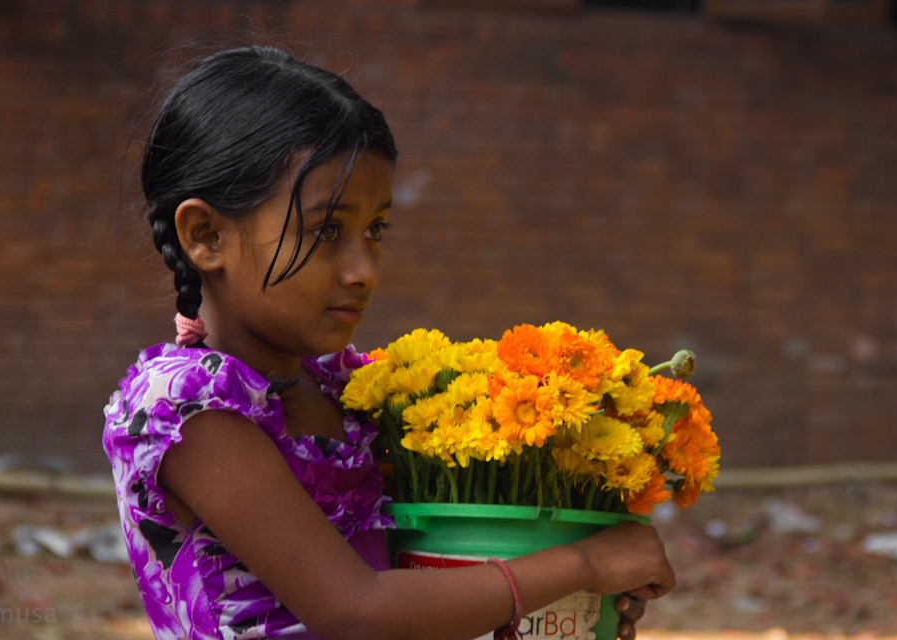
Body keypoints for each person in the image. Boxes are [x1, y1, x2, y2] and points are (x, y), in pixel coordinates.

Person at [103, 44, 675, 640]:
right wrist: (582, 564)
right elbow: (354, 610)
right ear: (205, 236)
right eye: (326, 229)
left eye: (375, 229)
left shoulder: (351, 392)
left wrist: (576, 601)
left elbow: (424, 587)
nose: (363, 270)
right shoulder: (184, 408)